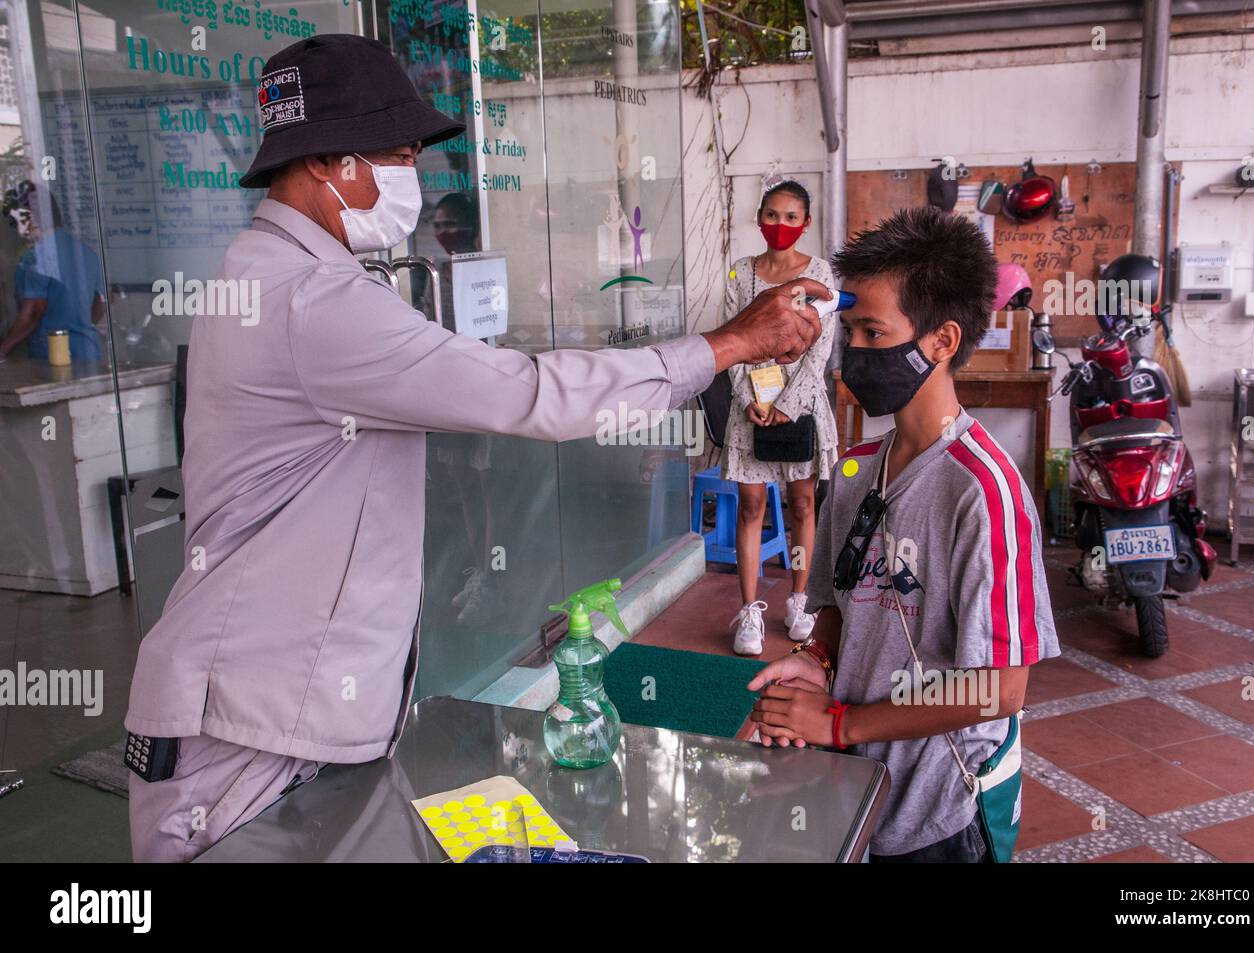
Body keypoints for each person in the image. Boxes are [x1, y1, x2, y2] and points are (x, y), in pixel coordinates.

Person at [122, 34, 827, 862]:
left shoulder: (264, 273)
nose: (411, 174)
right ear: (331, 163)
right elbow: (525, 393)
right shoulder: (312, 299)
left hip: (277, 710)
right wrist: (728, 345)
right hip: (251, 734)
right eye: (399, 153)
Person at [746, 206, 1060, 862]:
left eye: (871, 331)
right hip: (854, 787)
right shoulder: (858, 467)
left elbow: (998, 688)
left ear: (942, 341)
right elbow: (837, 601)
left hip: (936, 813)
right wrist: (816, 663)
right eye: (849, 331)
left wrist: (841, 720)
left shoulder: (983, 493)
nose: (852, 353)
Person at [722, 180, 838, 656]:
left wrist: (790, 402)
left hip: (801, 405)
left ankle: (798, 600)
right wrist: (750, 395)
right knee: (751, 507)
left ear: (805, 223)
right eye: (772, 215)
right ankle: (749, 612)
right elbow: (729, 339)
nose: (780, 225)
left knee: (803, 505)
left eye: (791, 217)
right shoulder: (739, 274)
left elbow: (822, 347)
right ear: (759, 218)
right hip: (750, 405)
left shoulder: (820, 274)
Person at [0, 182, 106, 364]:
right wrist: (77, 327)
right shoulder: (86, 252)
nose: (18, 230)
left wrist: (3, 349)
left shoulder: (38, 255)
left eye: (18, 221)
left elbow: (34, 310)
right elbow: (102, 301)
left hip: (54, 355)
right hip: (88, 352)